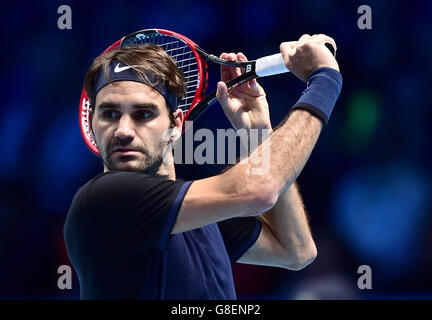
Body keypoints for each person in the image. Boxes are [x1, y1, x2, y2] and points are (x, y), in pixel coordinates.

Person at [64, 33, 342, 299]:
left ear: (176, 125)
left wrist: (257, 136)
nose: (123, 130)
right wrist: (324, 80)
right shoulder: (104, 199)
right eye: (109, 113)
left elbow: (295, 251)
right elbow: (260, 190)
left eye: (143, 114)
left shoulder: (194, 213)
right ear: (92, 123)